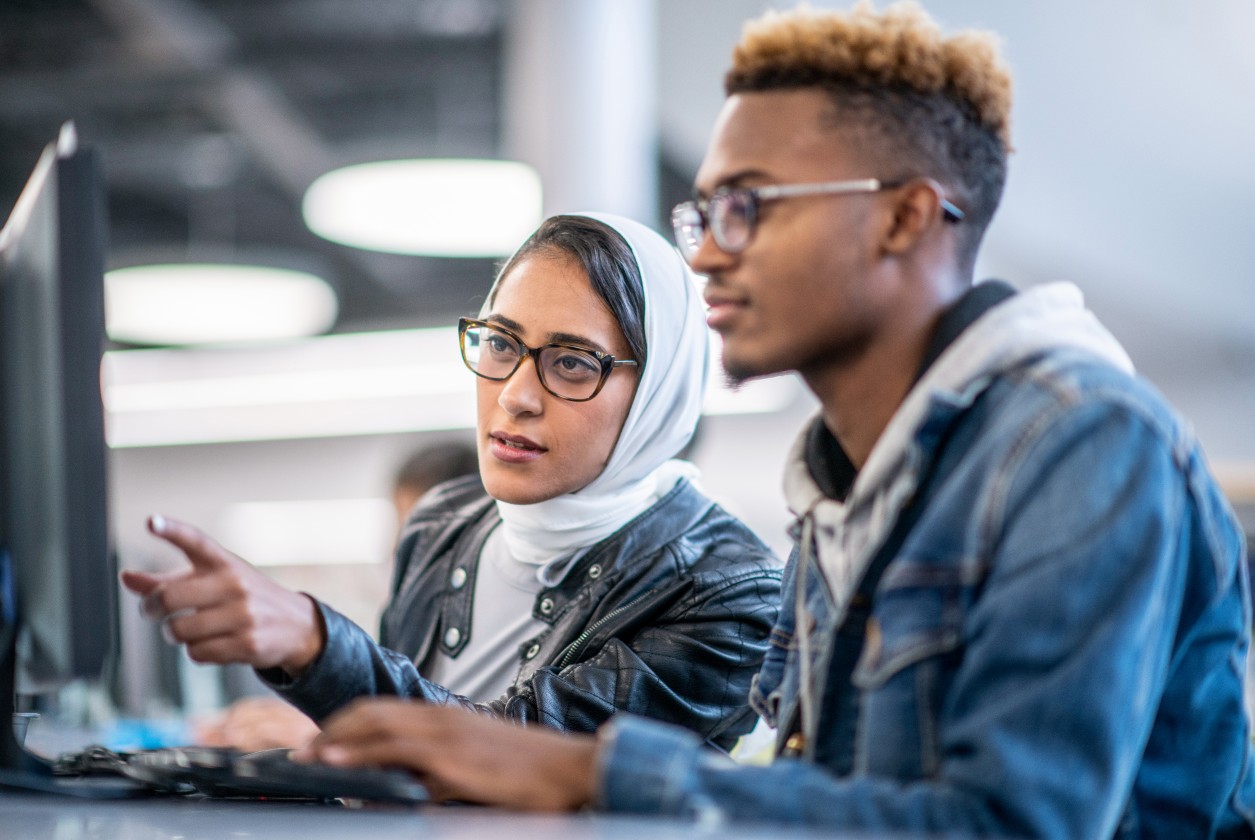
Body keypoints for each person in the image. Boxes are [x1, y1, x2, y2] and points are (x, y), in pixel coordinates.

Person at [294, 4, 1255, 837]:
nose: (709, 255)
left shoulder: (1083, 445)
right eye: (705, 211)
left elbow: (1009, 826)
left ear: (905, 218)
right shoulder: (842, 488)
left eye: (752, 206)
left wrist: (589, 771)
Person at [121, 212, 782, 749]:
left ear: (656, 394)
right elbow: (399, 775)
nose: (516, 395)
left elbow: (531, 755)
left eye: (573, 363)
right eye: (499, 343)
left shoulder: (731, 592)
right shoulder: (443, 522)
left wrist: (318, 647)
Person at [192, 440, 480, 752]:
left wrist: (333, 736)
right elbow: (402, 708)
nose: (400, 550)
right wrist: (322, 719)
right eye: (403, 534)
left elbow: (471, 745)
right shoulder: (410, 622)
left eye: (423, 539)